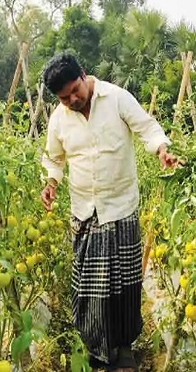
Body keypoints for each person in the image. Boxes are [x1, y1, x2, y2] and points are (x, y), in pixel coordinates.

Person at [39, 53, 179, 371]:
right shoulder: (59, 118)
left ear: (83, 75)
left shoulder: (116, 98)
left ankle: (123, 346)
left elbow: (146, 128)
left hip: (121, 206)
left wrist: (162, 150)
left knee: (125, 284)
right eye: (64, 97)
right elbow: (53, 158)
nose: (72, 99)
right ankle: (97, 349)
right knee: (89, 287)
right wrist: (50, 183)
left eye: (75, 90)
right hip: (84, 211)